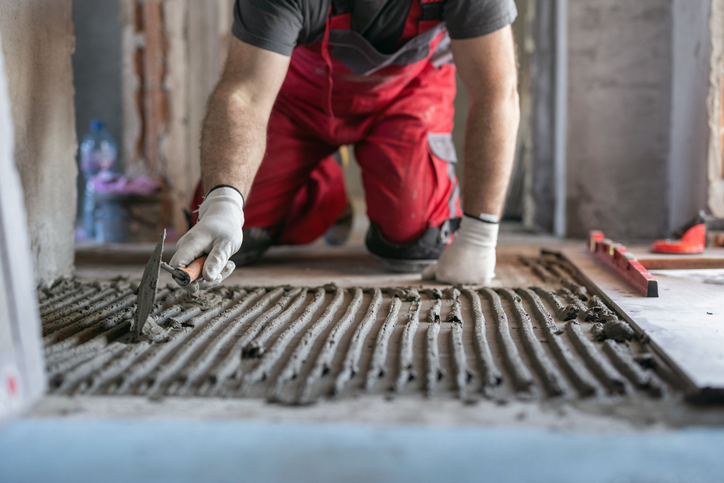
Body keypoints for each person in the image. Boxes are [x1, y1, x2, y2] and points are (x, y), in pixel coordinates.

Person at [170, 0, 520, 291]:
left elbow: (496, 92)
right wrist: (224, 201)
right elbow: (245, 95)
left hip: (406, 98)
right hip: (295, 103)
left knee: (414, 242)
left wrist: (479, 235)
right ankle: (322, 184)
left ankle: (326, 174)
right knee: (234, 233)